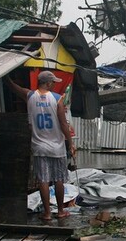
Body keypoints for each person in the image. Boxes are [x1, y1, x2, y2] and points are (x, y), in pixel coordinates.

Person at [5, 70, 76, 222]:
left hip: (39, 147)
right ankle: (61, 211)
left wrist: (6, 77)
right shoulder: (57, 99)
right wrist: (71, 143)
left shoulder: (29, 96)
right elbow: (63, 124)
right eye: (53, 82)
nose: (54, 85)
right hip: (57, 147)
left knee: (43, 180)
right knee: (59, 179)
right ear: (48, 83)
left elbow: (14, 87)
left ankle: (47, 213)